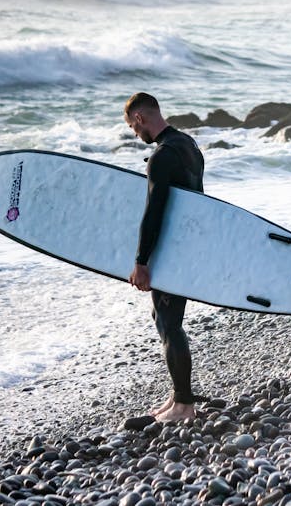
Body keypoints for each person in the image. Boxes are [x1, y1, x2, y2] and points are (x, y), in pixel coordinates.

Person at [124, 92, 204, 422]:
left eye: (131, 126)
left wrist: (141, 261)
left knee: (170, 324)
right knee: (164, 320)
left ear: (141, 118)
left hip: (172, 250)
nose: (134, 133)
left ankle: (185, 406)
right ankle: (178, 397)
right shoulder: (188, 144)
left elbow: (154, 211)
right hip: (189, 243)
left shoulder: (160, 157)